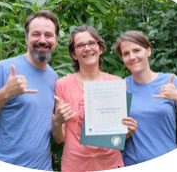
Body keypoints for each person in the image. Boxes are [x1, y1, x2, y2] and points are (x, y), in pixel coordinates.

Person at [0, 10, 59, 170]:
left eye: (48, 35)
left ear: (56, 40)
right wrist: (5, 93)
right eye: (36, 34)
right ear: (26, 39)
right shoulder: (4, 69)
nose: (42, 40)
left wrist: (59, 121)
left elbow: (43, 124)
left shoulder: (54, 77)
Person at [52, 25, 138, 172]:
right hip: (75, 165)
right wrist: (58, 122)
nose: (87, 48)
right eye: (80, 45)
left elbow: (119, 134)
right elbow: (59, 138)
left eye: (91, 43)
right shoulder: (63, 85)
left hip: (111, 163)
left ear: (100, 48)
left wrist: (128, 131)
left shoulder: (117, 83)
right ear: (74, 54)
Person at [112, 30, 177, 166]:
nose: (132, 57)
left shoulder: (170, 80)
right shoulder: (120, 87)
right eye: (126, 53)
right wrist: (125, 134)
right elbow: (113, 139)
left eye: (136, 50)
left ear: (148, 51)